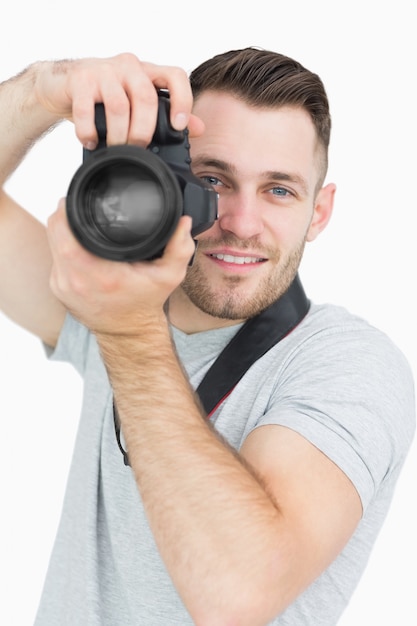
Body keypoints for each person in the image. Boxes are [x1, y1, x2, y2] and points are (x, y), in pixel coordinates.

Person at [0, 47, 415, 626]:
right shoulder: (116, 301)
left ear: (318, 213)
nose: (241, 224)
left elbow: (237, 596)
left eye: (278, 190)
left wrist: (128, 331)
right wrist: (43, 91)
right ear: (168, 183)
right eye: (212, 180)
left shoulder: (349, 363)